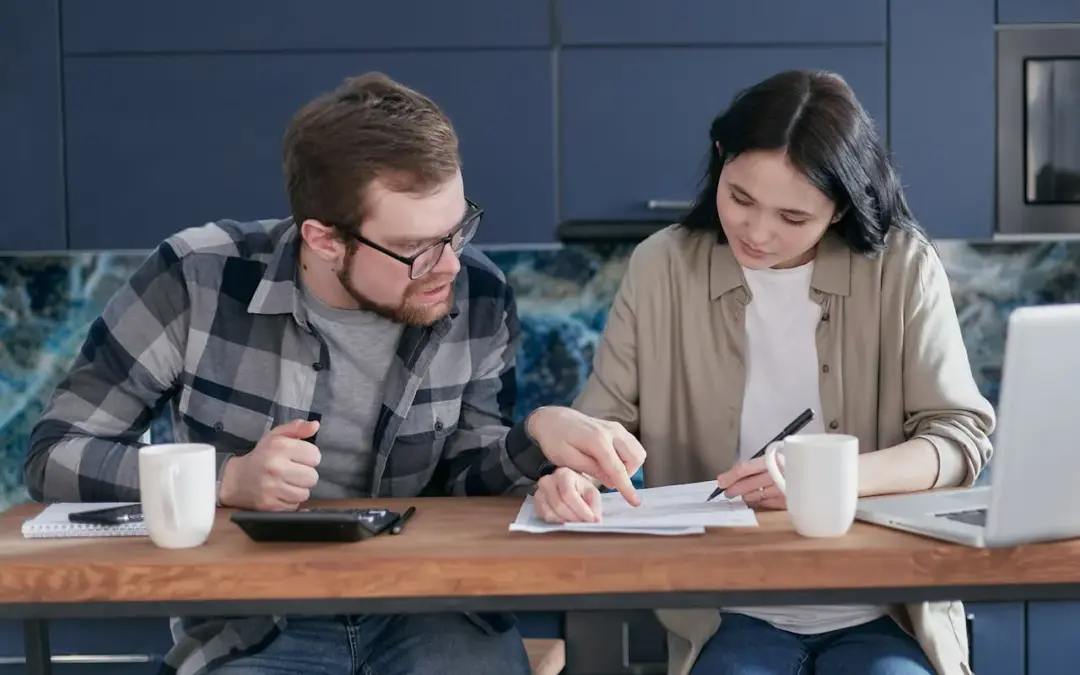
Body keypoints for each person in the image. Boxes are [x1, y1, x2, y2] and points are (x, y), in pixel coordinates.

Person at [24, 72, 645, 675]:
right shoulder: (194, 279)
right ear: (324, 240)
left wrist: (537, 434)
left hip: (433, 609)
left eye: (457, 230)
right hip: (250, 621)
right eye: (418, 248)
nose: (450, 264)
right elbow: (55, 455)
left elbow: (466, 479)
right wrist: (227, 478)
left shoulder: (480, 293)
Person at [528, 69, 995, 675]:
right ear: (720, 157)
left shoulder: (902, 267)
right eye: (740, 198)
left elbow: (960, 438)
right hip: (729, 608)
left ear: (839, 209)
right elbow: (602, 426)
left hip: (884, 602)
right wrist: (573, 477)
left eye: (793, 217)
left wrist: (830, 480)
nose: (757, 232)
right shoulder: (662, 266)